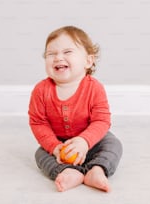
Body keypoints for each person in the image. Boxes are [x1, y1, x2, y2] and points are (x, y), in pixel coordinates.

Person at [28, 25, 123, 192]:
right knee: (40, 154)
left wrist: (85, 141)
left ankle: (97, 169)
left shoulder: (94, 88)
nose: (58, 58)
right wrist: (54, 147)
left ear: (88, 61)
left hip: (91, 141)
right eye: (51, 54)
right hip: (59, 144)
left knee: (113, 144)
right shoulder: (41, 90)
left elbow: (101, 120)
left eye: (67, 52)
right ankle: (69, 172)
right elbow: (38, 123)